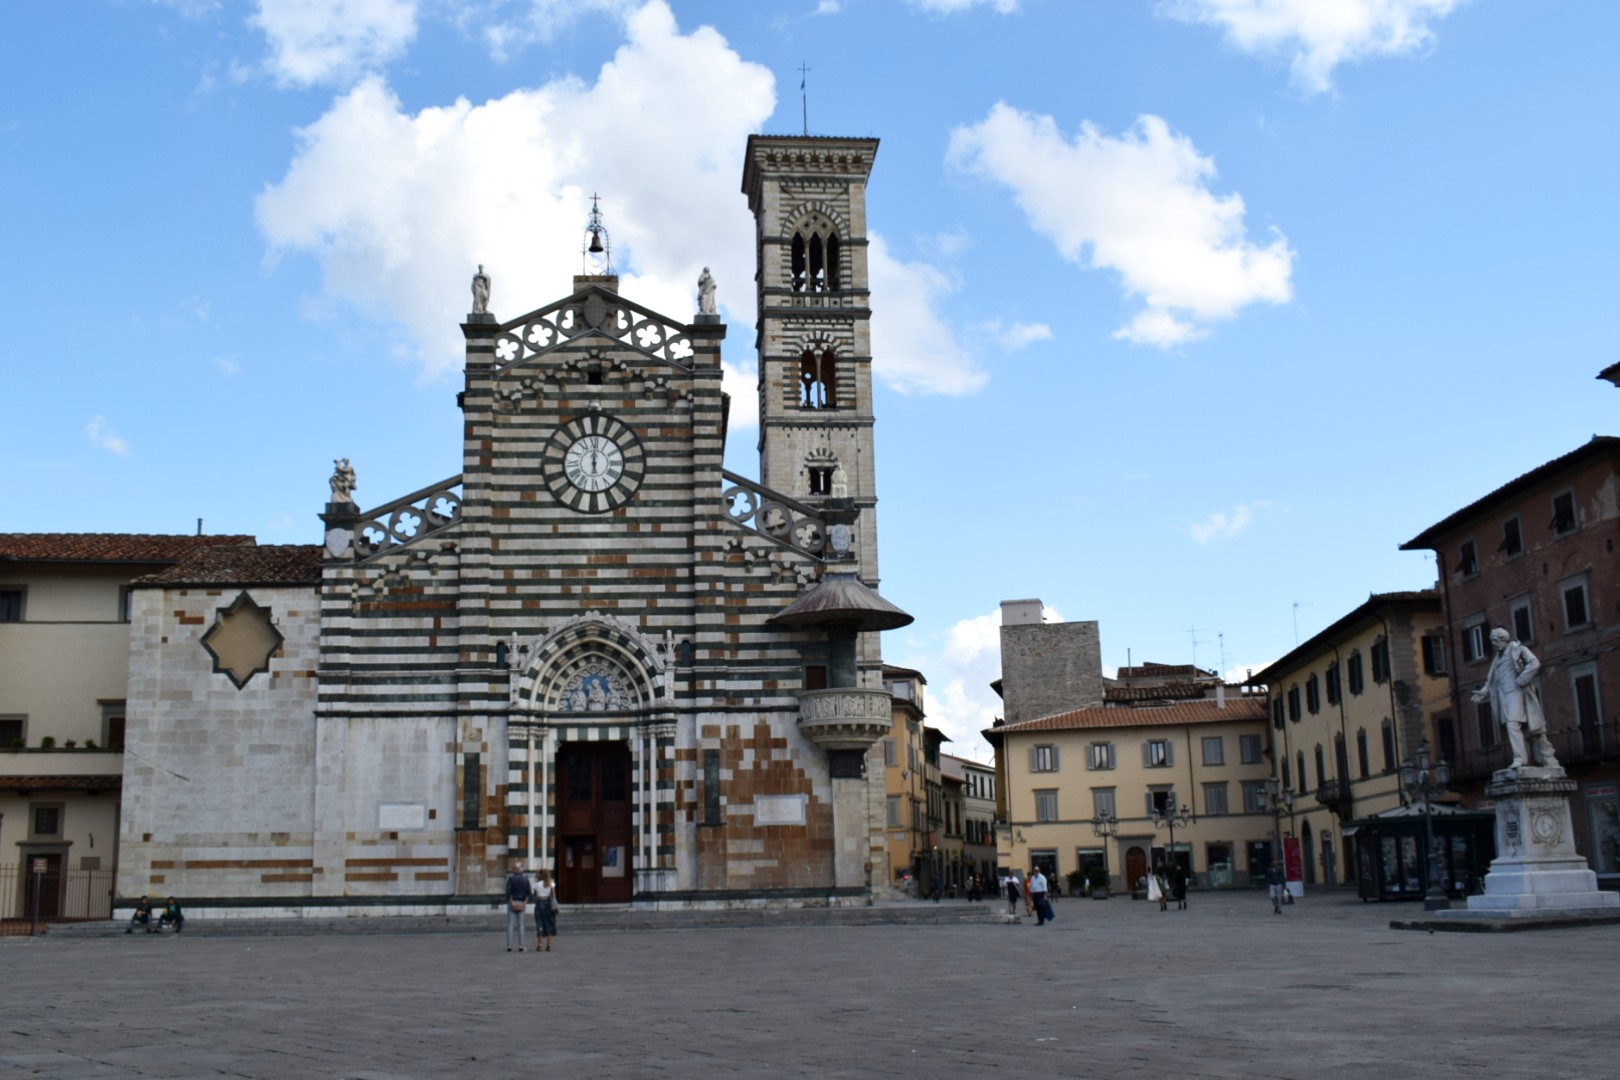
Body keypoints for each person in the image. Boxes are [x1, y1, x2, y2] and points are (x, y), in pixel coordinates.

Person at [1471, 627, 1560, 769]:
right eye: (1492, 641)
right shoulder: (1497, 658)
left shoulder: (1518, 649)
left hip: (1517, 694)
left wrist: (1521, 680)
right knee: (1518, 728)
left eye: (1495, 640)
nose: (1494, 644)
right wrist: (1484, 691)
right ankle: (1532, 758)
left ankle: (1520, 759)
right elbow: (1492, 679)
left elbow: (1534, 663)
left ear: (1504, 639)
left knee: (1513, 724)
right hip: (1503, 697)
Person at [505, 864, 533, 952]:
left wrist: (512, 902)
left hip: (512, 902)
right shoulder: (525, 880)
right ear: (521, 870)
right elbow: (529, 894)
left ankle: (509, 945)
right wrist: (524, 904)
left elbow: (508, 892)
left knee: (510, 924)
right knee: (521, 925)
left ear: (515, 869)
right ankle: (521, 945)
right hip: (521, 902)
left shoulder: (511, 879)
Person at [533, 873, 558, 953]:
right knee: (549, 923)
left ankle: (540, 944)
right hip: (548, 904)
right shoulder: (551, 883)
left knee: (539, 923)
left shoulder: (536, 884)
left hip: (539, 903)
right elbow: (553, 895)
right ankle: (549, 945)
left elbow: (535, 894)